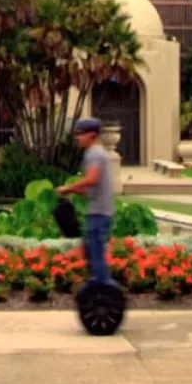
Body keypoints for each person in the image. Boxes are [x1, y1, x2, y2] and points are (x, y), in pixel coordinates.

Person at [57, 118, 115, 286]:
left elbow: (92, 179)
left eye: (81, 134)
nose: (78, 138)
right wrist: (72, 191)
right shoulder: (96, 153)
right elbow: (89, 186)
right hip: (97, 212)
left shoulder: (95, 153)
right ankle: (100, 290)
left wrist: (68, 188)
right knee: (92, 255)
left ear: (91, 135)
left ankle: (105, 293)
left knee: (97, 258)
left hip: (99, 213)